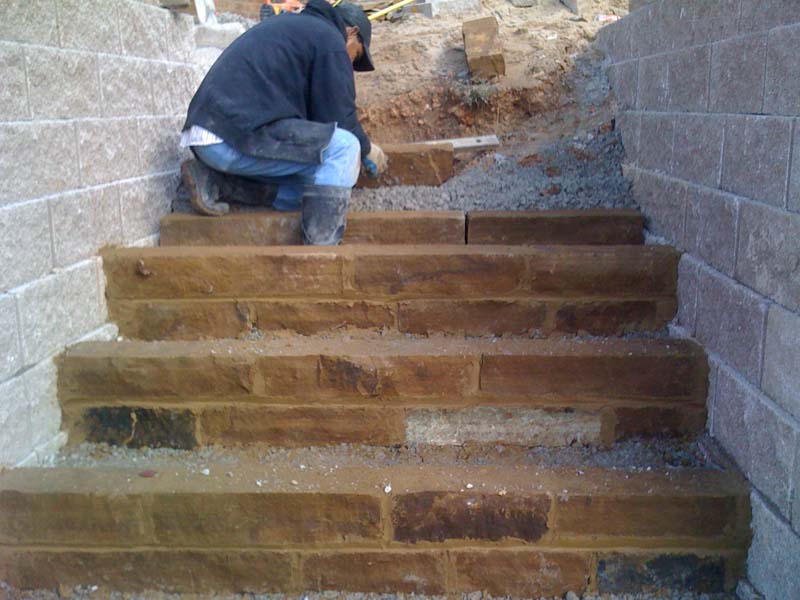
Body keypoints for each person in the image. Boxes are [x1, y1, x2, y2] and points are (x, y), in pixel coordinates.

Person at [179, 0, 388, 245]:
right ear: (352, 32)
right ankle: (322, 246)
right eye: (356, 55)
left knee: (318, 184)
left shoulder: (294, 29)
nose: (350, 64)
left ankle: (218, 183)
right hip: (231, 137)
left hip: (213, 134)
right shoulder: (331, 41)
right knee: (344, 148)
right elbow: (339, 119)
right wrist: (366, 149)